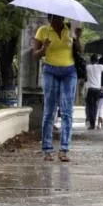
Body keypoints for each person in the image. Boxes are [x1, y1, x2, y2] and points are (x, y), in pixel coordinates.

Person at [32, 14, 82, 162]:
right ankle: (47, 150)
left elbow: (80, 50)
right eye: (55, 18)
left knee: (67, 111)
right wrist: (43, 48)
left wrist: (78, 38)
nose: (59, 20)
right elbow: (34, 56)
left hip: (69, 72)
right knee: (49, 111)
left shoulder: (70, 30)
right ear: (50, 18)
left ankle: (64, 149)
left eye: (61, 18)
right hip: (50, 71)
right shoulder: (43, 31)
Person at [84, 54, 103, 130]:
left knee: (90, 107)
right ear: (97, 61)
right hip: (97, 90)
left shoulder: (88, 67)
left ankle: (92, 124)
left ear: (91, 60)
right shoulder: (100, 67)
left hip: (90, 90)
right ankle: (93, 123)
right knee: (95, 106)